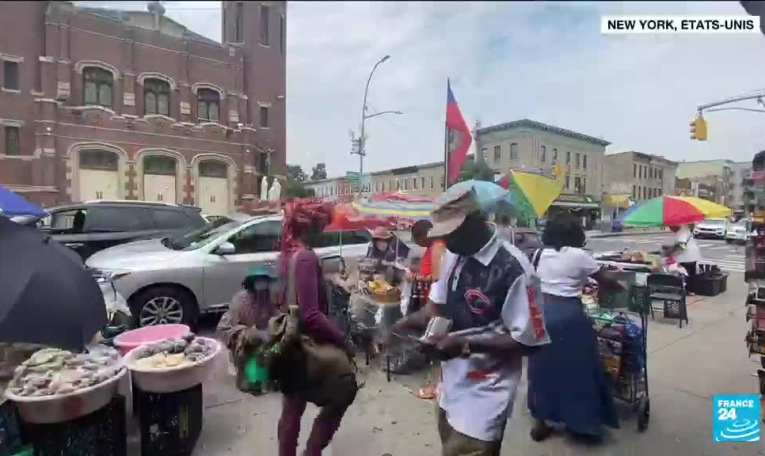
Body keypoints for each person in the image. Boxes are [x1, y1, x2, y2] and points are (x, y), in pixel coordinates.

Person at [391, 189, 550, 456]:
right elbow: (435, 308)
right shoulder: (453, 255)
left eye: (451, 233)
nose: (445, 241)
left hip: (486, 394)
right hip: (449, 387)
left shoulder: (514, 269)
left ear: (475, 221)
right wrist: (402, 325)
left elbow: (531, 342)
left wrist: (465, 344)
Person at [526, 212, 621, 442]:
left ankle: (542, 418)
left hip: (540, 314)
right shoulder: (579, 255)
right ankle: (578, 421)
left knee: (541, 369)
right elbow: (605, 280)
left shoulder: (538, 253)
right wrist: (621, 286)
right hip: (567, 315)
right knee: (578, 369)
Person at [275, 199, 356, 456]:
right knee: (343, 392)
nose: (323, 229)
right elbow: (311, 314)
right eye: (322, 224)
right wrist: (343, 341)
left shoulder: (288, 254)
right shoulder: (306, 257)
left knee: (291, 409)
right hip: (306, 347)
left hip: (290, 342)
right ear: (310, 225)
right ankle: (312, 451)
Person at [217, 265, 278, 395]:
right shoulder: (241, 300)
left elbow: (276, 317)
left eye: (265, 281)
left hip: (263, 339)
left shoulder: (270, 299)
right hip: (243, 340)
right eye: (259, 281)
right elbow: (227, 327)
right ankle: (249, 380)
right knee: (253, 344)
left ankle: (266, 377)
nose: (263, 285)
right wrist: (250, 333)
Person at [407, 219, 447, 400]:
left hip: (437, 303)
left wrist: (415, 278)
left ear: (422, 236)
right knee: (433, 342)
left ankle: (435, 385)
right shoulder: (432, 247)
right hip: (431, 300)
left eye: (416, 240)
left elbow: (438, 277)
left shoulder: (438, 246)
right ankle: (436, 383)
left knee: (435, 343)